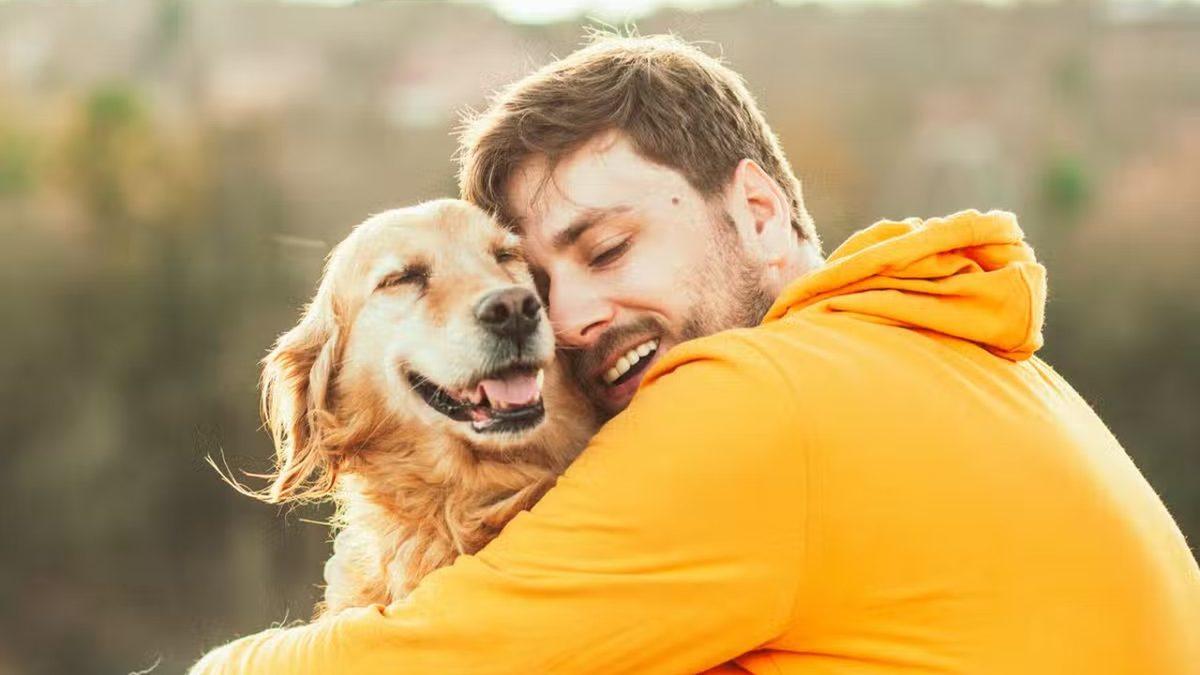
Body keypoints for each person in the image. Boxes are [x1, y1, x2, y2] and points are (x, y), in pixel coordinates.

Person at [191, 34, 1200, 674]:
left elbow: (431, 666)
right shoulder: (968, 360)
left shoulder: (754, 401)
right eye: (543, 277)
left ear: (759, 210)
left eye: (609, 247)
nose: (566, 317)